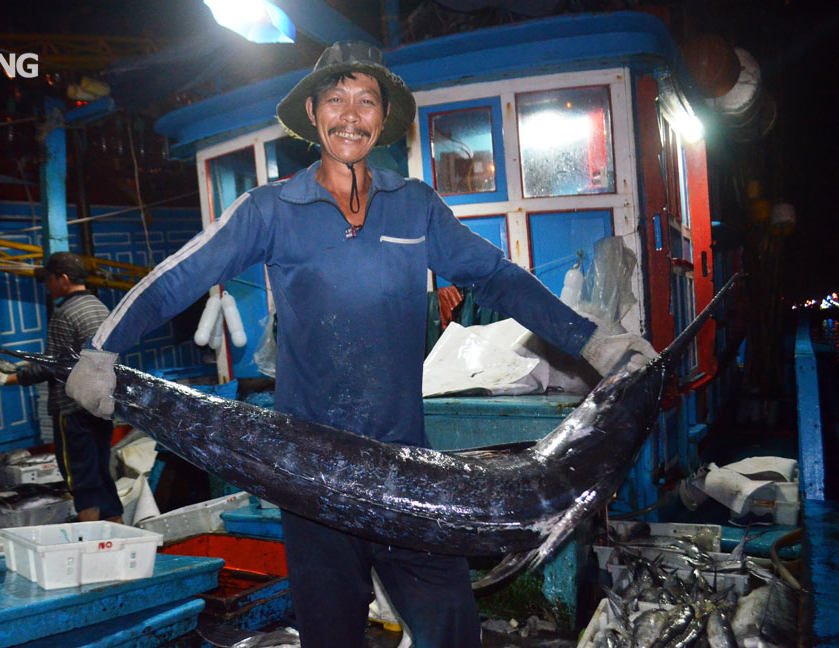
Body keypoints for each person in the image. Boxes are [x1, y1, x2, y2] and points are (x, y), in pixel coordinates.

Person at [65, 42, 654, 647]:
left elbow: (497, 277)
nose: (351, 114)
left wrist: (595, 342)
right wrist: (102, 350)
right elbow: (179, 278)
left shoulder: (416, 204)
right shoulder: (270, 209)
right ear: (315, 114)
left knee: (453, 635)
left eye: (366, 100)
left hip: (410, 479)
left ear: (382, 118)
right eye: (337, 99)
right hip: (310, 481)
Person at [0, 251, 123, 523]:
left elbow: (53, 366)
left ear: (64, 279)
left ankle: (93, 543)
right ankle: (120, 535)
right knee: (100, 473)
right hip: (102, 405)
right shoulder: (99, 307)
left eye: (50, 279)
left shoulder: (65, 313)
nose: (47, 285)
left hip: (73, 409)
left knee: (81, 479)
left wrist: (10, 378)